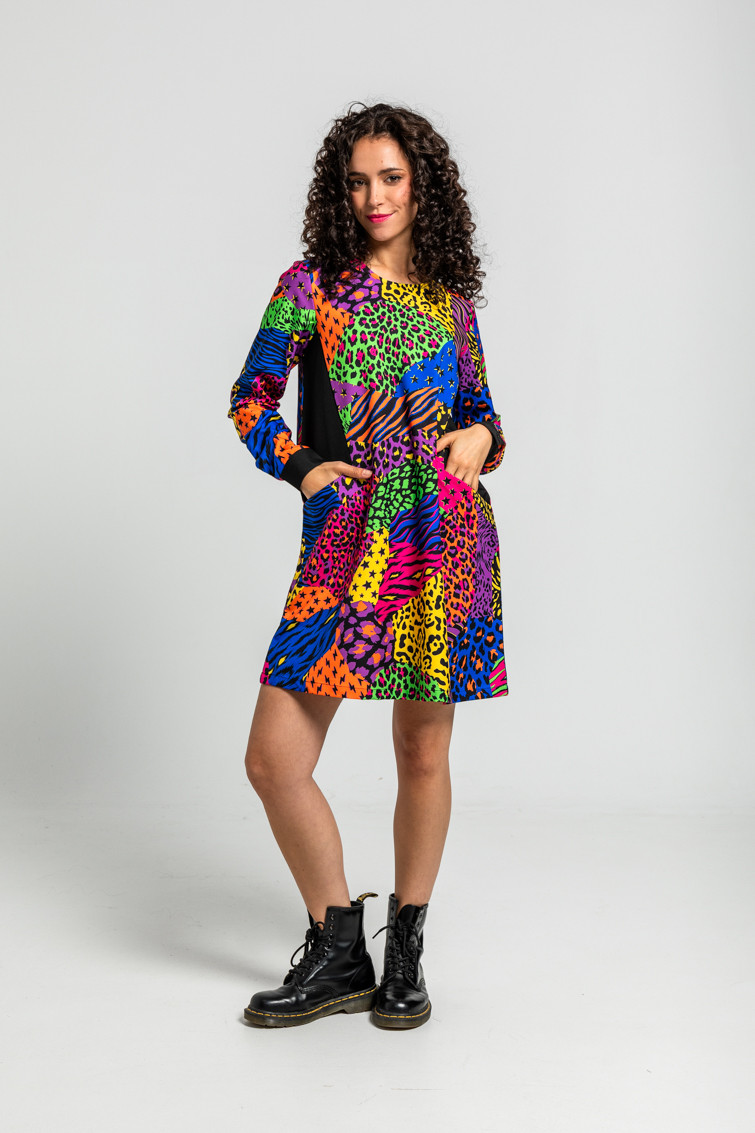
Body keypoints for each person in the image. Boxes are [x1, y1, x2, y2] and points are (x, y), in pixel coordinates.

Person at [227, 101, 508, 1030]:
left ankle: (406, 951)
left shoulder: (448, 302)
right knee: (274, 759)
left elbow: (481, 411)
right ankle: (338, 945)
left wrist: (481, 436)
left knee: (421, 749)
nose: (373, 196)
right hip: (346, 544)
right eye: (356, 181)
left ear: (422, 186)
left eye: (390, 177)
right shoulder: (310, 287)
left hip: (442, 539)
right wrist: (302, 465)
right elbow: (251, 397)